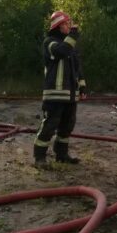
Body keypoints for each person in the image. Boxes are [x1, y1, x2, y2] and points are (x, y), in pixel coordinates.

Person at [33, 11, 87, 167]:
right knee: (50, 125)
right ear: (57, 26)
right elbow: (60, 51)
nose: (69, 26)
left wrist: (82, 86)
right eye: (66, 23)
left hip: (70, 95)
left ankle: (62, 155)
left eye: (69, 24)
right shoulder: (49, 42)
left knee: (67, 126)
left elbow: (77, 68)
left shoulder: (70, 46)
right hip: (54, 95)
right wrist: (74, 34)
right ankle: (39, 157)